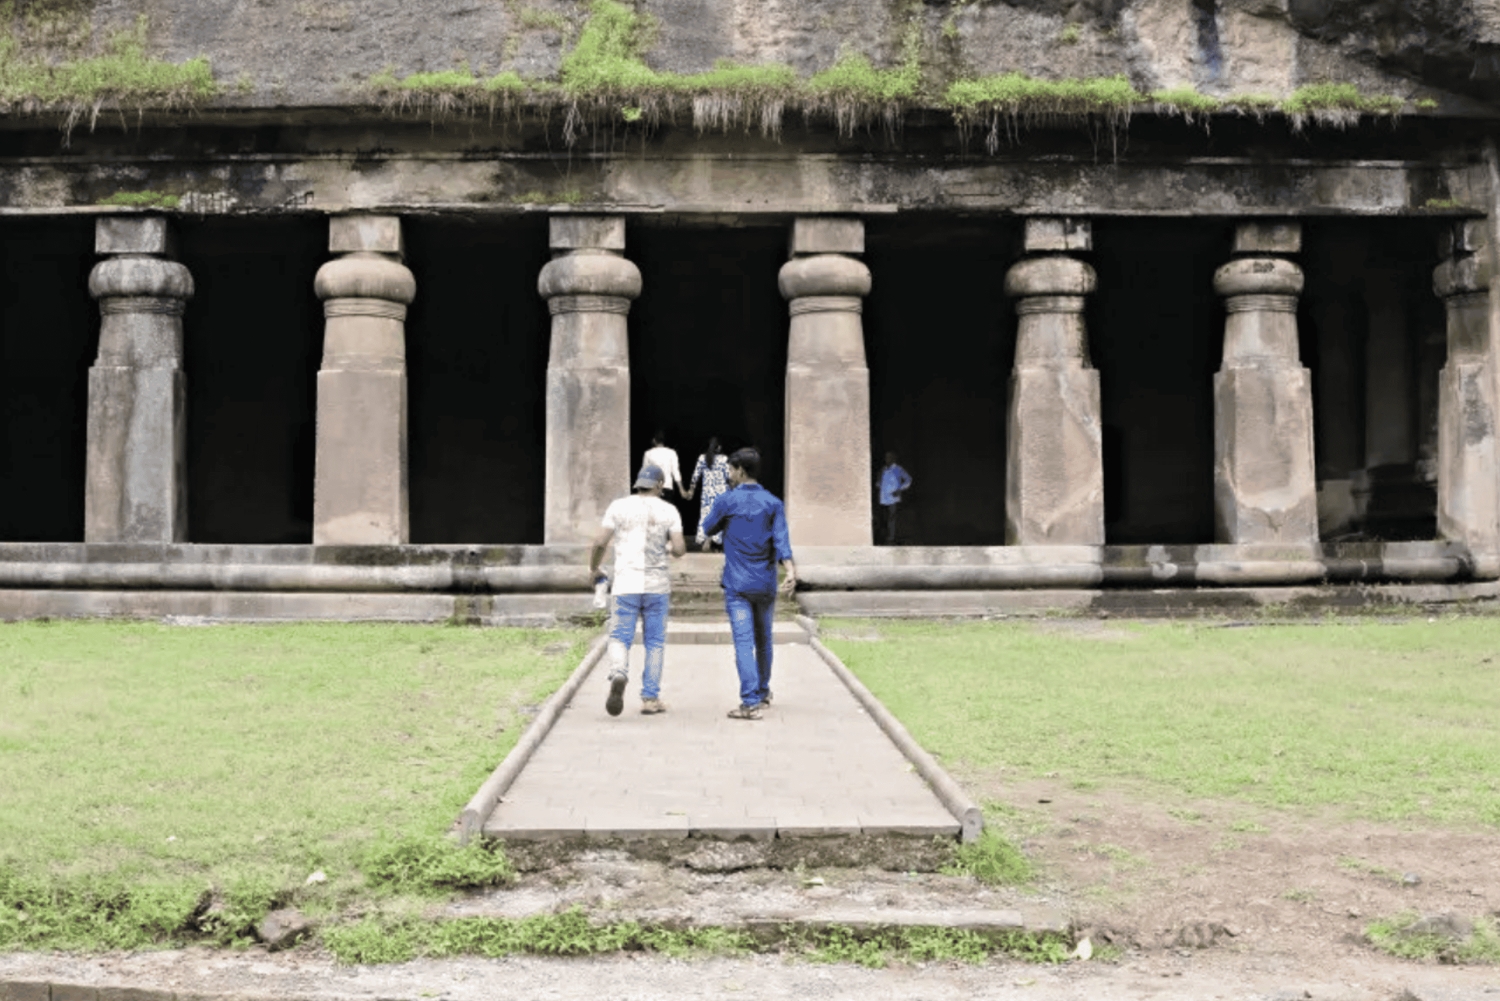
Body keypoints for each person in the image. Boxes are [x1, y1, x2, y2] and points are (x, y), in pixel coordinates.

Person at [700, 448, 796, 721]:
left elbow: (707, 528)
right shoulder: (773, 503)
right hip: (765, 583)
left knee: (744, 642)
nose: (729, 475)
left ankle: (750, 703)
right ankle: (763, 692)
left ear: (741, 471)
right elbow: (781, 541)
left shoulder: (727, 501)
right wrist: (790, 570)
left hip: (738, 586)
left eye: (730, 470)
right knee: (764, 640)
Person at [589, 464, 686, 717]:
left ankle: (619, 671)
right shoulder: (669, 510)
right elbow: (679, 549)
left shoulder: (618, 507)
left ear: (638, 483)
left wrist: (594, 568)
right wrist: (666, 547)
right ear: (658, 486)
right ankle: (650, 698)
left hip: (625, 584)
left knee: (620, 637)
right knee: (654, 642)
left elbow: (600, 541)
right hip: (657, 587)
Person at [683, 436, 731, 552]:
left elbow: (695, 476)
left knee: (706, 515)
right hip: (721, 493)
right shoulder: (724, 459)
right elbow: (729, 477)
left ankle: (707, 538)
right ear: (719, 447)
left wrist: (691, 490)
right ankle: (715, 543)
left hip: (707, 493)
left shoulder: (702, 458)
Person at [878, 451, 912, 545]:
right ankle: (886, 537)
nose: (886, 459)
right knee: (884, 519)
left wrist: (900, 489)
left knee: (892, 518)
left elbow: (908, 479)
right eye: (886, 457)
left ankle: (891, 538)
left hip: (893, 498)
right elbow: (879, 482)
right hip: (883, 498)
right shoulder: (883, 469)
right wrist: (879, 484)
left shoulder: (898, 469)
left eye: (889, 457)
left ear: (893, 459)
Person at [642, 431, 685, 497]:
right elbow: (676, 473)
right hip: (667, 487)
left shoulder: (648, 454)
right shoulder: (672, 453)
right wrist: (681, 489)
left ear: (654, 440)